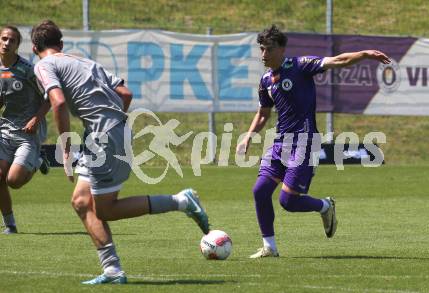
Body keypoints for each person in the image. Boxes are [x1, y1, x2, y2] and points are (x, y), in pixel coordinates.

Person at [31, 20, 210, 284]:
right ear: (61, 45)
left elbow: (57, 102)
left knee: (105, 210)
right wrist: (111, 124)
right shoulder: (85, 62)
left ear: (35, 48)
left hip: (103, 135)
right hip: (106, 132)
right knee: (81, 202)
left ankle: (181, 201)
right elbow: (125, 94)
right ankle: (112, 270)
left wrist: (66, 148)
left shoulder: (43, 65)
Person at [236, 25, 391, 258]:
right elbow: (263, 114)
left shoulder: (300, 66)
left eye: (268, 49)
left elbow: (338, 60)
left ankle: (325, 206)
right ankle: (270, 247)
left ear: (281, 49)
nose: (263, 55)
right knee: (260, 191)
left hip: (305, 143)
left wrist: (365, 54)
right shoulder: (265, 81)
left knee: (287, 201)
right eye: (261, 49)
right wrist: (249, 135)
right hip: (280, 143)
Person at [0, 25, 51, 235]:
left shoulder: (27, 70)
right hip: (4, 131)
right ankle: (10, 224)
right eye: (3, 39)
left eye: (11, 40)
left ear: (18, 45)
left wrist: (36, 119)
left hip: (27, 133)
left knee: (14, 181)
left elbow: (49, 97)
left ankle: (38, 160)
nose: (6, 43)